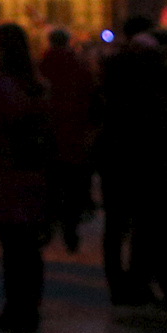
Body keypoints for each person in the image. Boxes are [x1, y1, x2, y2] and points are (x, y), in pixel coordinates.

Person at [92, 16, 167, 314]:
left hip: (119, 160)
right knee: (146, 225)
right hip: (142, 162)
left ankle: (128, 286)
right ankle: (151, 287)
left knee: (120, 226)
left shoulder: (115, 77)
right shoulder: (148, 88)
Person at [0, 21, 54, 333]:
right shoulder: (38, 85)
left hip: (7, 175)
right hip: (35, 174)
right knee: (30, 248)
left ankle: (16, 310)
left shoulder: (1, 87)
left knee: (14, 249)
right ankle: (31, 306)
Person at [37, 25, 98, 259]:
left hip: (49, 136)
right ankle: (71, 231)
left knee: (51, 185)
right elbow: (91, 98)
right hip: (74, 136)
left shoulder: (42, 66)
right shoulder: (80, 66)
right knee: (73, 187)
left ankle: (48, 226)